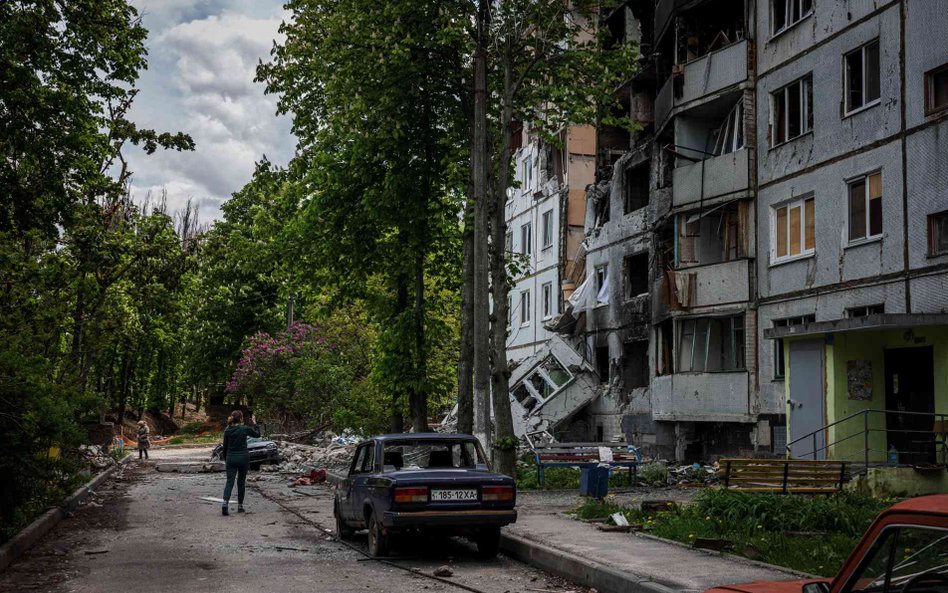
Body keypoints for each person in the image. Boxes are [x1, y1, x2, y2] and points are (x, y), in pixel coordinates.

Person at [220, 410, 260, 516]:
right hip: (243, 458)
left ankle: (225, 503)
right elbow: (257, 435)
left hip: (231, 458)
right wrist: (254, 423)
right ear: (241, 418)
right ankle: (240, 506)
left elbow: (225, 446)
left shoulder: (227, 430)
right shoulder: (244, 429)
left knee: (229, 482)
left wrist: (226, 458)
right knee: (241, 482)